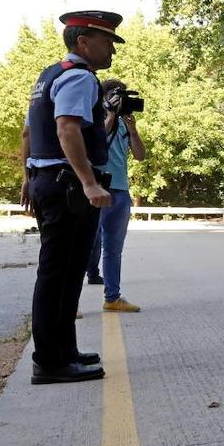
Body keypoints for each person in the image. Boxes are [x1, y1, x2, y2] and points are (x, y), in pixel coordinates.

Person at [19, 11, 123, 384]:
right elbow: (67, 129)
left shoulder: (49, 75)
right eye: (106, 41)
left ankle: (64, 352)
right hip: (67, 185)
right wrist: (89, 183)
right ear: (83, 42)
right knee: (58, 274)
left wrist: (29, 176)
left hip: (50, 179)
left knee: (66, 273)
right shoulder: (79, 77)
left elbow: (29, 132)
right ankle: (50, 362)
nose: (111, 49)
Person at [86, 79, 146, 312]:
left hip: (121, 191)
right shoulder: (94, 119)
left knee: (114, 250)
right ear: (104, 97)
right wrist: (109, 112)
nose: (120, 100)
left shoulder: (123, 124)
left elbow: (140, 155)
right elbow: (98, 141)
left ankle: (112, 298)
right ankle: (70, 302)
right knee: (86, 246)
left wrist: (133, 130)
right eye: (115, 95)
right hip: (99, 189)